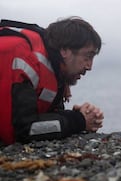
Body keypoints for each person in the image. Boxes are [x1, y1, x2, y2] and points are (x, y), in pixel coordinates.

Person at [0, 17, 104, 145]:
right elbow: (23, 129)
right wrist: (79, 121)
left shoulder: (53, 68)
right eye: (87, 56)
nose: (89, 66)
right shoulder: (23, 58)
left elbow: (39, 116)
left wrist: (75, 115)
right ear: (64, 50)